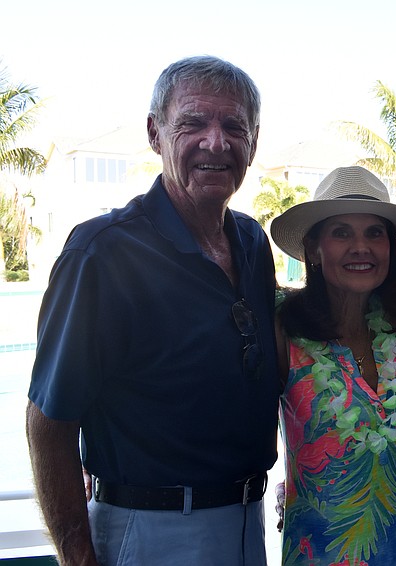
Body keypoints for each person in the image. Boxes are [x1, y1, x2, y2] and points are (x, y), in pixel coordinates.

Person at [25, 56, 279, 565]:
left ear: (253, 139)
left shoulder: (252, 241)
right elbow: (48, 421)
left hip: (249, 525)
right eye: (193, 123)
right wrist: (77, 556)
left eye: (234, 126)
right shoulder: (103, 253)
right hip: (151, 530)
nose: (216, 142)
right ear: (155, 133)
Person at [269, 165, 396, 565]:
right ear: (314, 249)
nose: (360, 247)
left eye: (374, 233)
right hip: (320, 554)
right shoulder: (283, 326)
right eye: (341, 232)